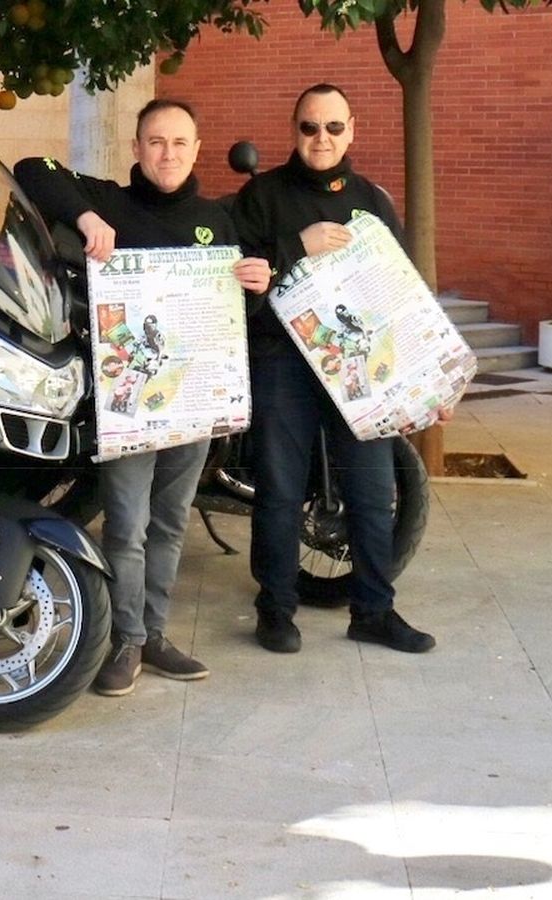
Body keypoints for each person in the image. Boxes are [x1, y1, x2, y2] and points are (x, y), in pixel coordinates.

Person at [15, 99, 273, 697]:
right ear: (136, 148)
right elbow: (32, 168)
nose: (168, 154)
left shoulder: (219, 220)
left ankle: (154, 633)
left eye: (180, 142)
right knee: (127, 525)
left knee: (170, 523)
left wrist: (258, 288)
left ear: (197, 149)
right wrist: (84, 215)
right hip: (130, 400)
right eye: (156, 142)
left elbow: (238, 312)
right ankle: (126, 640)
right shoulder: (110, 201)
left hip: (193, 401)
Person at [232, 83, 440, 655]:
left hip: (359, 369)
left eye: (333, 127)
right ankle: (276, 610)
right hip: (283, 363)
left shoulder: (372, 201)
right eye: (309, 127)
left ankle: (373, 611)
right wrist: (296, 245)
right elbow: (233, 277)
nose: (320, 138)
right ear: (294, 130)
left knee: (372, 493)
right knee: (280, 491)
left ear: (352, 131)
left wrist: (425, 381)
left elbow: (401, 296)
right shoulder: (261, 197)